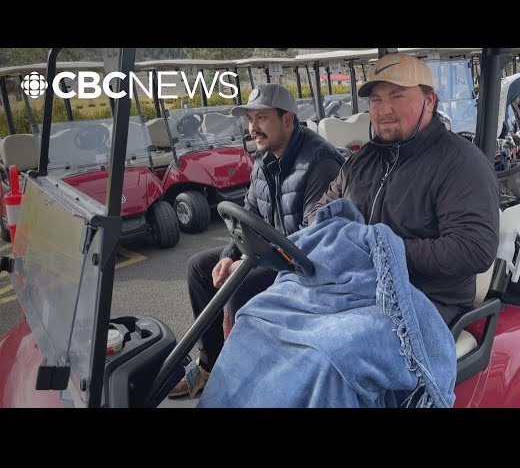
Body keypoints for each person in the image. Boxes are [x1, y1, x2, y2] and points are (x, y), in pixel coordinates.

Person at [170, 83, 344, 398]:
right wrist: (228, 254)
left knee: (242, 286)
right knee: (199, 267)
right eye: (250, 120)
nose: (253, 128)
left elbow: (313, 239)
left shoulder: (319, 162)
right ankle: (211, 365)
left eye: (262, 118)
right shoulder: (263, 159)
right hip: (271, 255)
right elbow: (248, 213)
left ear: (288, 120)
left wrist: (251, 260)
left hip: (307, 266)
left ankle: (244, 385)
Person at [303, 53, 500, 326]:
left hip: (425, 300)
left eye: (396, 96)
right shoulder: (361, 160)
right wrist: (340, 238)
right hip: (355, 288)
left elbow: (473, 249)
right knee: (266, 317)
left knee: (324, 352)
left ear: (429, 101)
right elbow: (317, 213)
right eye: (376, 100)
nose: (384, 110)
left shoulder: (461, 163)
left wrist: (381, 250)